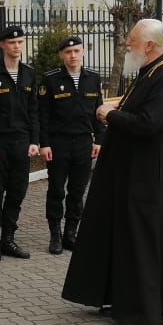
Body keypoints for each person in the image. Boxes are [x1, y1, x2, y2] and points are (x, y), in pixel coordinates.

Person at [61, 18, 163, 325]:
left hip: (150, 172)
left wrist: (111, 114)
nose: (127, 44)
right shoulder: (150, 71)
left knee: (140, 239)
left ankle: (144, 314)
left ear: (149, 45)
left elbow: (149, 123)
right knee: (121, 234)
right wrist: (116, 109)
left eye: (132, 39)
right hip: (131, 168)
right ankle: (116, 297)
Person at [0, 24, 40, 262]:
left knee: (17, 192)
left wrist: (35, 140)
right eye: (12, 43)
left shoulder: (29, 73)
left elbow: (33, 110)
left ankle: (8, 239)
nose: (16, 46)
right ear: (2, 45)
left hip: (21, 143)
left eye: (20, 42)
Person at [39, 35, 104, 255]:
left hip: (84, 143)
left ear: (83, 52)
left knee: (77, 191)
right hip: (59, 144)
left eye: (76, 51)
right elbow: (43, 116)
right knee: (56, 190)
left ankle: (71, 234)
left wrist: (99, 140)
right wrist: (44, 144)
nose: (73, 55)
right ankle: (55, 235)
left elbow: (99, 113)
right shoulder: (51, 80)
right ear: (61, 55)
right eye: (68, 52)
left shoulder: (93, 79)